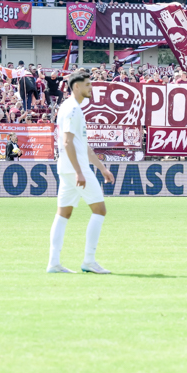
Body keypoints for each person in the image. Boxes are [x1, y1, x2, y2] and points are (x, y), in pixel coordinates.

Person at [48, 71, 116, 275]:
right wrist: (79, 171)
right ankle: (89, 260)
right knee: (100, 210)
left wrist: (102, 168)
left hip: (69, 168)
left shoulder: (73, 108)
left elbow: (82, 146)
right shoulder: (72, 109)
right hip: (75, 169)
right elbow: (67, 142)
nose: (91, 88)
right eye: (87, 84)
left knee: (63, 214)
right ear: (76, 87)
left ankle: (54, 263)